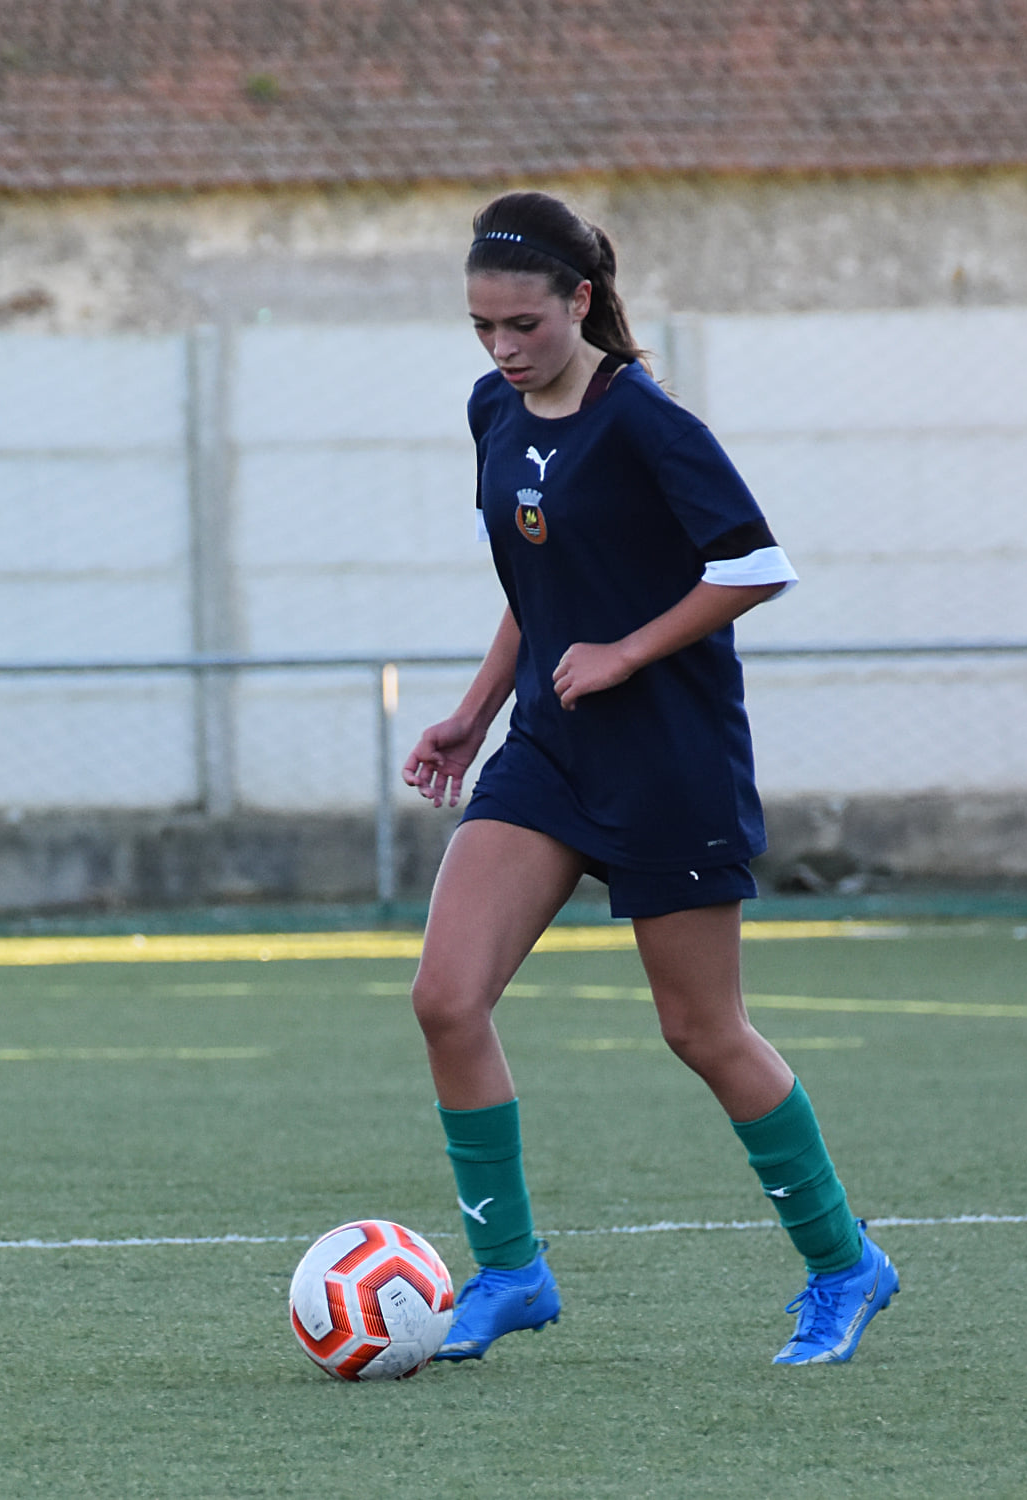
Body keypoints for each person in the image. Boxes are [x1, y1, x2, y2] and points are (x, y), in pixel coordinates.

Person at [401, 191, 898, 1367]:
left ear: (582, 301)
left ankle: (845, 1267)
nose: (502, 350)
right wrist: (474, 715)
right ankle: (512, 1272)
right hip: (550, 756)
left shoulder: (646, 423)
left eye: (522, 324)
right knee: (444, 998)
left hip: (668, 763)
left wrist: (627, 649)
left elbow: (756, 565)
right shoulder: (495, 413)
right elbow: (539, 587)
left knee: (702, 1030)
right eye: (481, 328)